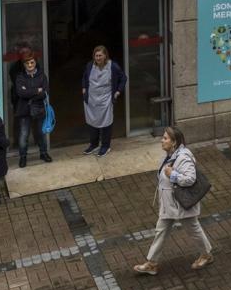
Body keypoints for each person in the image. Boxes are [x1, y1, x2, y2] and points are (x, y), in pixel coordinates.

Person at [132, 126, 213, 275]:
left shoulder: (183, 157)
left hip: (181, 205)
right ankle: (151, 263)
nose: (162, 141)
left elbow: (190, 179)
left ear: (174, 142)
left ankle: (206, 255)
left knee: (193, 229)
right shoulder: (170, 155)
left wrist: (173, 175)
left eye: (165, 138)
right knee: (161, 231)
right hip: (169, 205)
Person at [82, 45, 126, 157]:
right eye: (96, 56)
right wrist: (83, 88)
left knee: (106, 123)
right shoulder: (89, 65)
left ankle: (105, 146)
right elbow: (84, 77)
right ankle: (94, 144)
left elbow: (123, 78)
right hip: (92, 100)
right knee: (92, 122)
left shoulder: (113, 66)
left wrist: (118, 91)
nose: (98, 58)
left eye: (100, 55)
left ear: (105, 55)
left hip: (106, 100)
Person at [14, 53, 52, 167]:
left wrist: (29, 91)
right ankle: (23, 157)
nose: (30, 65)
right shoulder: (20, 77)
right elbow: (21, 93)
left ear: (35, 63)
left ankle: (44, 153)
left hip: (39, 108)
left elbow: (45, 93)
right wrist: (37, 90)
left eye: (32, 62)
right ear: (24, 64)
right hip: (24, 110)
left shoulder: (42, 75)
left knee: (41, 133)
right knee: (24, 134)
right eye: (27, 63)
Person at [7, 42, 34, 113]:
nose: (25, 54)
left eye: (27, 52)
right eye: (23, 52)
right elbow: (19, 83)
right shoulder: (15, 67)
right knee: (24, 122)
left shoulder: (34, 64)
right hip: (20, 101)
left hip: (34, 100)